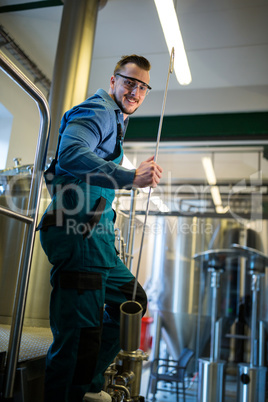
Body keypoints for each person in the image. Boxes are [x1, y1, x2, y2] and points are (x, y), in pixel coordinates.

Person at [38, 54, 163, 402]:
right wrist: (129, 176)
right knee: (78, 335)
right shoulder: (97, 111)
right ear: (113, 81)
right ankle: (70, 393)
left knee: (132, 301)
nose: (134, 91)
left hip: (98, 240)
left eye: (142, 87)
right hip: (79, 234)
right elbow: (72, 153)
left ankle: (87, 385)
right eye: (128, 82)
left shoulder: (116, 122)